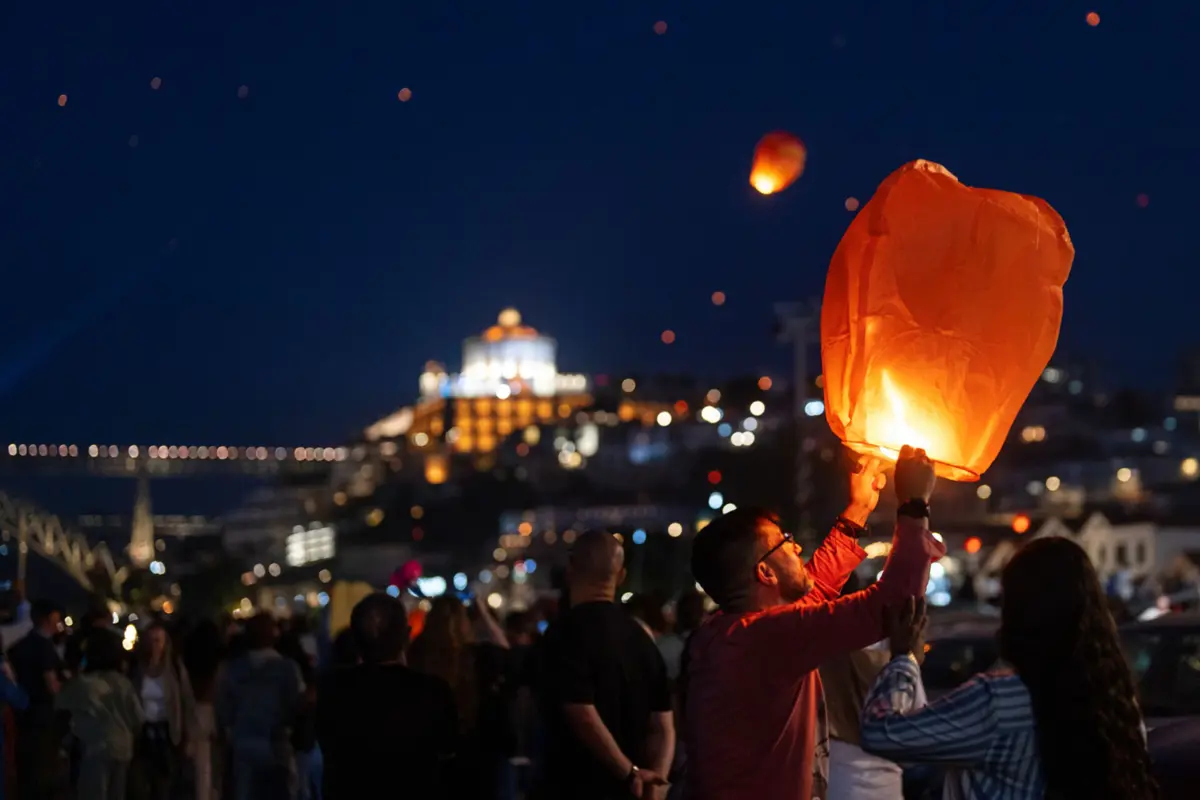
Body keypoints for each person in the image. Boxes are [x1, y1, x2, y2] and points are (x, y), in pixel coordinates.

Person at [682, 448, 943, 800]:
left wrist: (857, 511)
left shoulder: (731, 633)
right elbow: (891, 602)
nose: (796, 548)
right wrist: (914, 504)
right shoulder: (764, 639)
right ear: (765, 572)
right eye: (785, 542)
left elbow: (814, 591)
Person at [861, 535, 1158, 799]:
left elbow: (879, 732)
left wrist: (903, 659)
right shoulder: (1116, 701)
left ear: (1017, 612)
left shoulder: (998, 701)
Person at [535, 530, 675, 800]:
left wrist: (629, 773)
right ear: (621, 576)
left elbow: (581, 713)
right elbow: (663, 724)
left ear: (570, 571)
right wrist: (656, 780)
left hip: (572, 787)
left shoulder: (562, 633)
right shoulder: (641, 638)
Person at [316, 593, 458, 798]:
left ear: (354, 638)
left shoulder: (331, 688)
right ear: (407, 636)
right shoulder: (433, 691)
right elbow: (448, 753)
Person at [408, 596, 513, 799]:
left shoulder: (417, 652)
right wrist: (485, 616)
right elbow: (507, 653)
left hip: (430, 753)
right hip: (475, 750)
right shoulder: (477, 656)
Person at [217, 613, 305, 800]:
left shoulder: (233, 669)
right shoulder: (288, 669)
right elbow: (296, 706)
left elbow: (225, 709)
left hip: (243, 743)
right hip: (276, 745)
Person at [55, 629, 143, 800]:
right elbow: (137, 717)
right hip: (123, 748)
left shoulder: (83, 684)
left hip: (94, 748)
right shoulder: (124, 683)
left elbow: (60, 704)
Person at [130, 621, 197, 800]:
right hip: (144, 732)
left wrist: (189, 736)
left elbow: (187, 701)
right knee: (143, 782)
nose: (155, 645)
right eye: (151, 640)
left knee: (165, 782)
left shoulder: (174, 668)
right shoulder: (137, 669)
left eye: (158, 640)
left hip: (168, 732)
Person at [8, 599, 67, 799]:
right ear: (48, 619)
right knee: (43, 768)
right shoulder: (44, 647)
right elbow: (52, 683)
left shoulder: (19, 646)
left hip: (23, 713)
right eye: (57, 618)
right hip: (43, 715)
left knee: (26, 769)